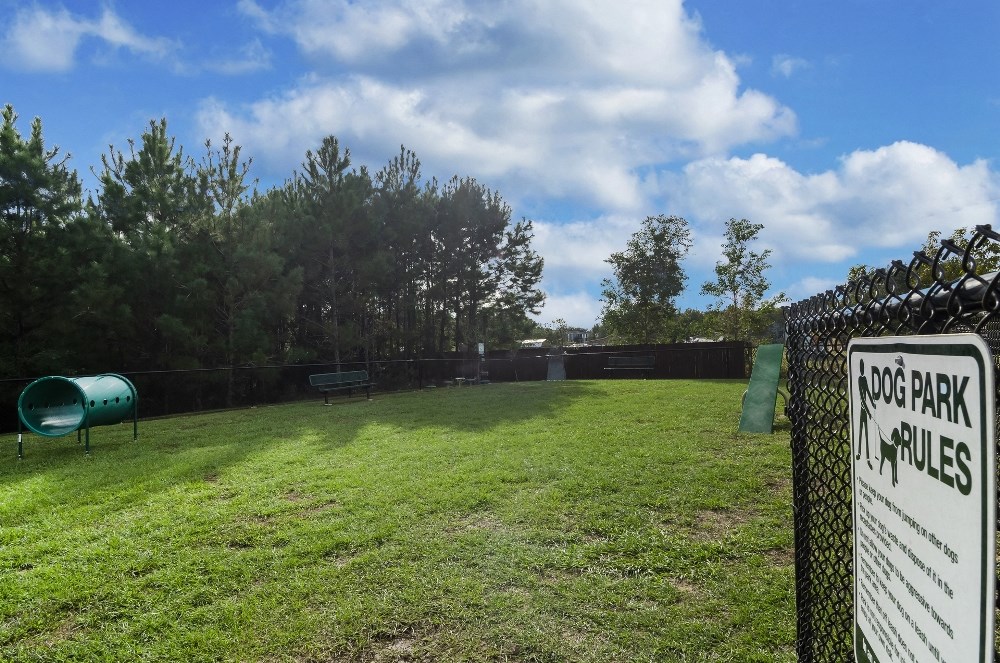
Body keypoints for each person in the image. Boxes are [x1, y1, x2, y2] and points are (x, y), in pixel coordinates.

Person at [855, 359, 874, 469]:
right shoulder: (859, 379)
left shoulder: (865, 379)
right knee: (862, 432)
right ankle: (859, 453)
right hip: (862, 409)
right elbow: (862, 397)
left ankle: (866, 456)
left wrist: (872, 403)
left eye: (863, 367)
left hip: (866, 408)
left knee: (865, 432)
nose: (862, 369)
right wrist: (868, 410)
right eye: (861, 367)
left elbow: (867, 392)